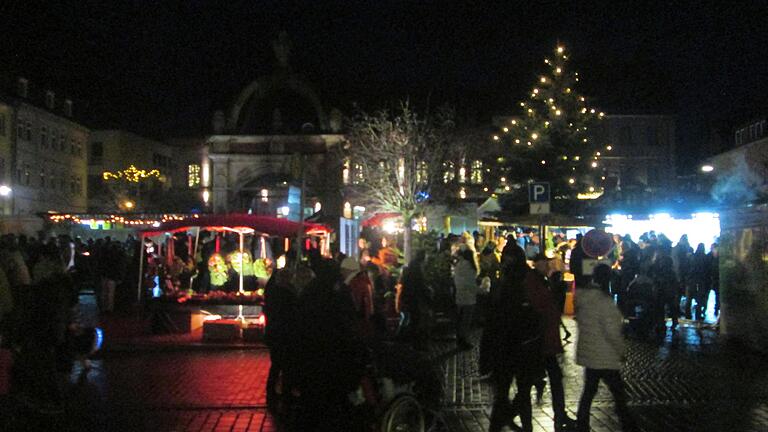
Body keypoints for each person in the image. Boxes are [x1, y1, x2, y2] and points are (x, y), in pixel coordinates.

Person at [483, 244, 544, 432]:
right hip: (519, 346)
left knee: (507, 394)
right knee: (517, 393)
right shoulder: (526, 280)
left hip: (511, 346)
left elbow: (494, 319)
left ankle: (506, 424)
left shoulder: (510, 283)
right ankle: (521, 426)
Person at [575, 264, 637, 432]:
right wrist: (621, 351)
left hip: (590, 353)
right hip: (604, 354)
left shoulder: (583, 298)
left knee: (589, 391)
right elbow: (612, 332)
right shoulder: (604, 301)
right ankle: (628, 424)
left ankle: (581, 422)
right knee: (618, 392)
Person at [529, 254, 577, 431]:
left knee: (553, 378)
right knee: (544, 379)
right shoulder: (536, 282)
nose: (547, 266)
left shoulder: (542, 281)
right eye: (544, 263)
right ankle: (509, 413)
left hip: (545, 339)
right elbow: (541, 309)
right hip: (540, 339)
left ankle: (560, 414)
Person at [453, 247, 479, 350]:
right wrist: (480, 290)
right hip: (469, 298)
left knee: (460, 319)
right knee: (466, 320)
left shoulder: (458, 266)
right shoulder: (470, 268)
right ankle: (463, 340)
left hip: (459, 296)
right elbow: (470, 284)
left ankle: (460, 339)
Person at [689, 243, 709, 321]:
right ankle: (698, 314)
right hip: (702, 280)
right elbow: (707, 269)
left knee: (692, 297)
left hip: (693, 279)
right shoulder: (705, 257)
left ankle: (690, 313)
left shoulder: (693, 256)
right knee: (700, 298)